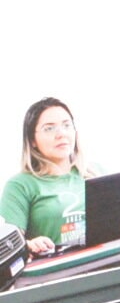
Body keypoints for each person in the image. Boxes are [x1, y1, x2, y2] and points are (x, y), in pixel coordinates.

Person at [4, 98, 90, 253]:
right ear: (32, 140)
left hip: (106, 264)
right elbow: (8, 245)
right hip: (58, 272)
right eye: (49, 129)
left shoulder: (95, 173)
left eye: (66, 125)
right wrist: (29, 245)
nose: (61, 134)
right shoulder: (20, 185)